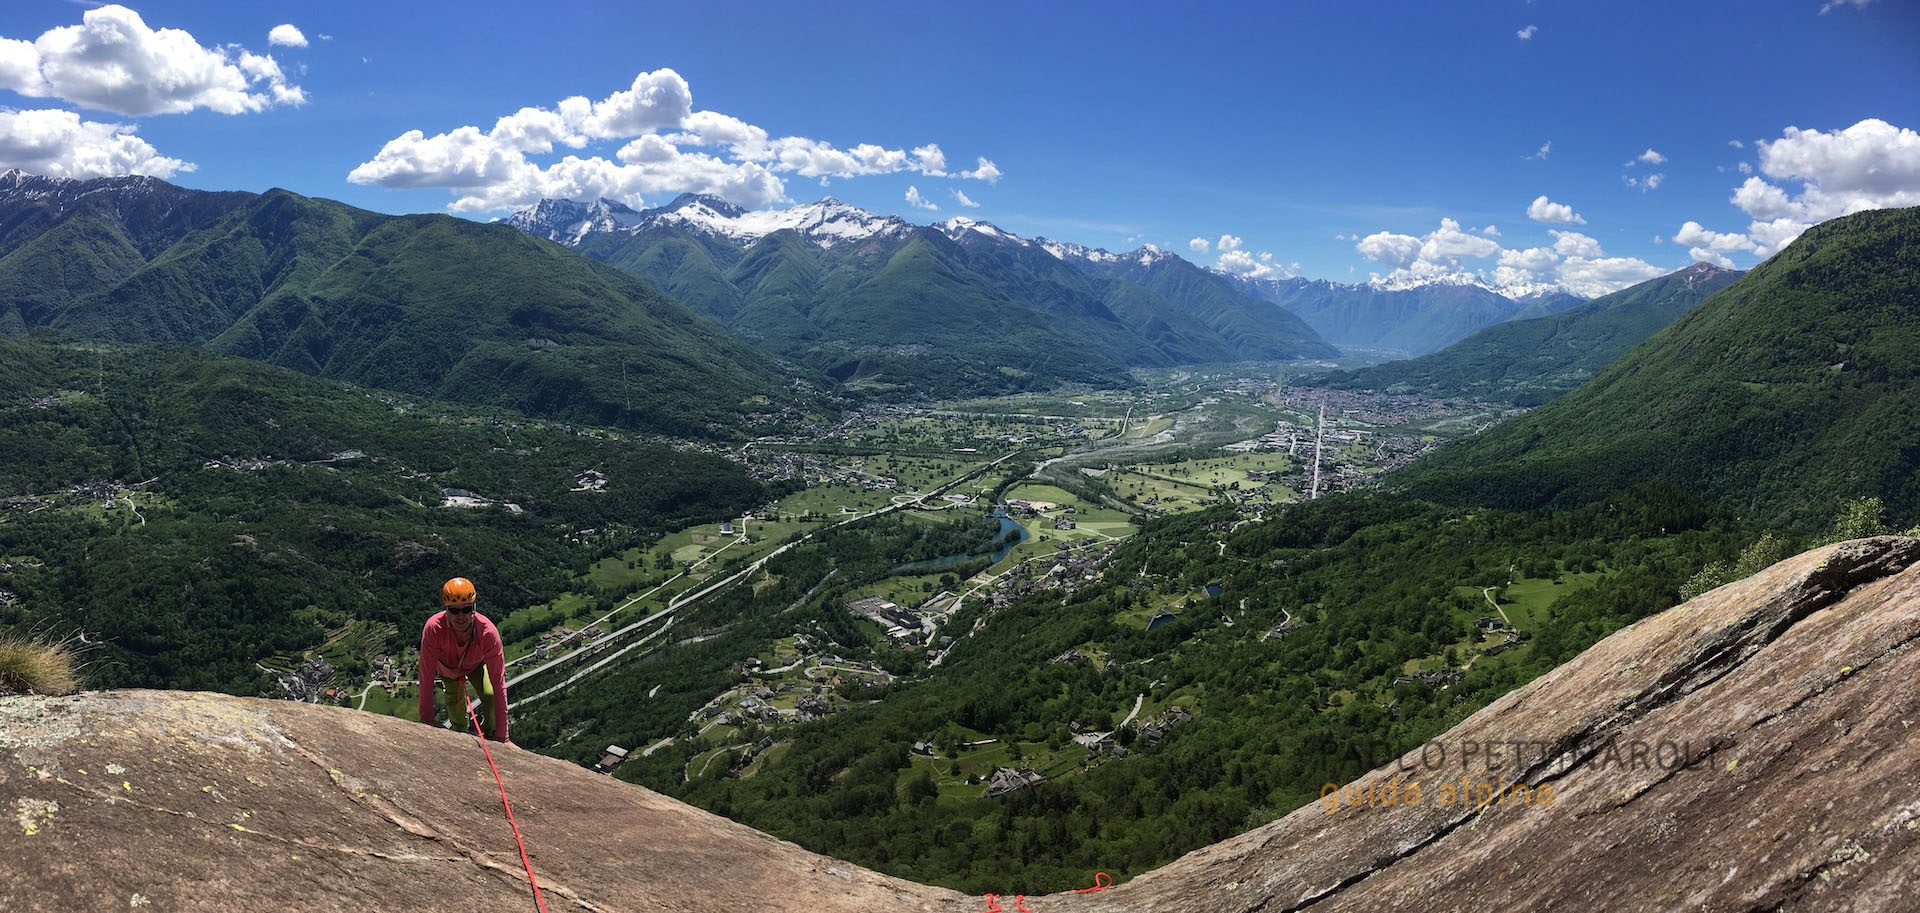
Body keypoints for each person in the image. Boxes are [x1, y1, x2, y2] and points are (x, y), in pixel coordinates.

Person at [418, 577, 510, 743]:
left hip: (475, 665)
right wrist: (427, 720)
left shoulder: (487, 633)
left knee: (490, 696)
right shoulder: (434, 629)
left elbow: (498, 682)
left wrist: (503, 736)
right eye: (454, 610)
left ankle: (491, 735)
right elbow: (426, 676)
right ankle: (460, 737)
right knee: (458, 719)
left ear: (473, 608)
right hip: (448, 671)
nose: (460, 616)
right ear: (446, 610)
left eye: (466, 609)